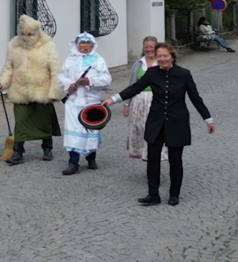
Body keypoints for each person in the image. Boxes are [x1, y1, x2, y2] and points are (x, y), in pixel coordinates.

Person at [102, 42, 213, 206]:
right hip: (156, 121)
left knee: (175, 160)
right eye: (159, 56)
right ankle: (153, 194)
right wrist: (113, 99)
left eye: (165, 56)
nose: (162, 59)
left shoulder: (184, 74)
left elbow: (195, 98)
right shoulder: (152, 73)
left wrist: (208, 119)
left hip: (177, 122)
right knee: (152, 158)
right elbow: (135, 88)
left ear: (172, 56)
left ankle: (174, 194)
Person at [0, 15, 63, 165]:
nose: (26, 37)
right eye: (23, 34)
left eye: (29, 34)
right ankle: (18, 152)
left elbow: (56, 69)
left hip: (41, 90)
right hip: (20, 90)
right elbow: (9, 67)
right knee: (20, 122)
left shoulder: (48, 45)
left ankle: (47, 148)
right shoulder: (13, 45)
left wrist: (55, 91)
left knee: (44, 122)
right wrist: (2, 83)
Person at [56, 33, 112, 175]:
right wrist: (68, 84)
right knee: (73, 133)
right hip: (73, 102)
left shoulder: (98, 60)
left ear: (92, 45)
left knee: (90, 130)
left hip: (91, 103)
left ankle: (91, 158)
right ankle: (73, 162)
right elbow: (61, 76)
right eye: (82, 43)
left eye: (88, 43)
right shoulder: (70, 59)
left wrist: (89, 81)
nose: (85, 46)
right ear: (77, 45)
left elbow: (107, 79)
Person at [123, 36, 160, 162]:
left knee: (154, 129)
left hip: (156, 99)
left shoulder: (161, 63)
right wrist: (127, 104)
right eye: (146, 47)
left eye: (151, 47)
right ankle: (145, 154)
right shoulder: (138, 64)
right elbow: (131, 85)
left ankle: (154, 155)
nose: (149, 49)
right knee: (139, 128)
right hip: (139, 100)